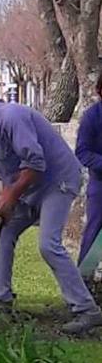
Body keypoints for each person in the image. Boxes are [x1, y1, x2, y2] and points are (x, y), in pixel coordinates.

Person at [0, 81, 102, 334]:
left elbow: (36, 163)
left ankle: (86, 310)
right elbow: (9, 169)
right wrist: (8, 195)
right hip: (30, 189)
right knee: (0, 228)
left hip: (56, 181)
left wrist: (11, 194)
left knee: (49, 245)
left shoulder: (12, 118)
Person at [76, 71, 102, 267]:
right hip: (100, 185)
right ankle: (84, 283)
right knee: (94, 234)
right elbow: (83, 152)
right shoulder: (92, 117)